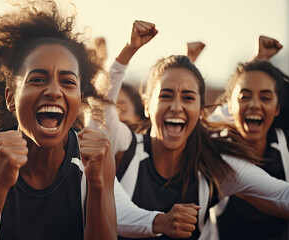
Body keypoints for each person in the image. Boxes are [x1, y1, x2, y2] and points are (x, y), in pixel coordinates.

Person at [0, 1, 116, 239]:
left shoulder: (95, 162)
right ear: (11, 98)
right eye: (37, 79)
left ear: (79, 100)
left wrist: (96, 186)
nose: (54, 91)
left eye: (67, 82)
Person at [100, 20, 289, 239]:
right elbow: (100, 112)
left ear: (200, 110)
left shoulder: (215, 166)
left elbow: (281, 195)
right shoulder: (125, 147)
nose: (177, 107)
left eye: (188, 98)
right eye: (166, 95)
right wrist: (127, 51)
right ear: (147, 105)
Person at [214, 59, 289, 239]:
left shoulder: (283, 143)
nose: (255, 104)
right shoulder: (216, 151)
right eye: (244, 96)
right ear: (229, 107)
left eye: (265, 97)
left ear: (277, 108)